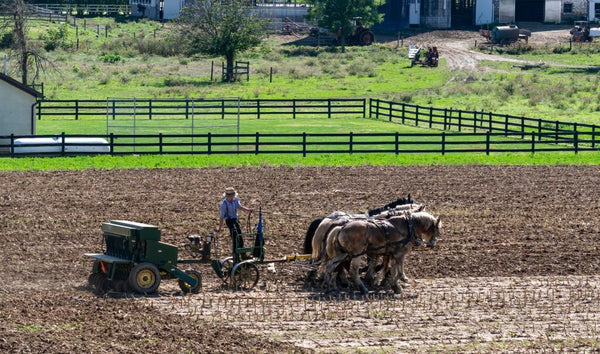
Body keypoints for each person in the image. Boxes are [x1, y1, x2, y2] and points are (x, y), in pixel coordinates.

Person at [216, 187, 254, 259]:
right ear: (227, 196)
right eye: (229, 196)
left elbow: (240, 207)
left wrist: (248, 210)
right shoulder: (223, 204)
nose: (231, 197)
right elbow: (221, 217)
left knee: (240, 235)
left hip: (235, 219)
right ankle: (235, 256)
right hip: (229, 221)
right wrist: (219, 228)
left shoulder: (235, 200)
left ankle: (243, 254)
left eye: (232, 196)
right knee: (234, 236)